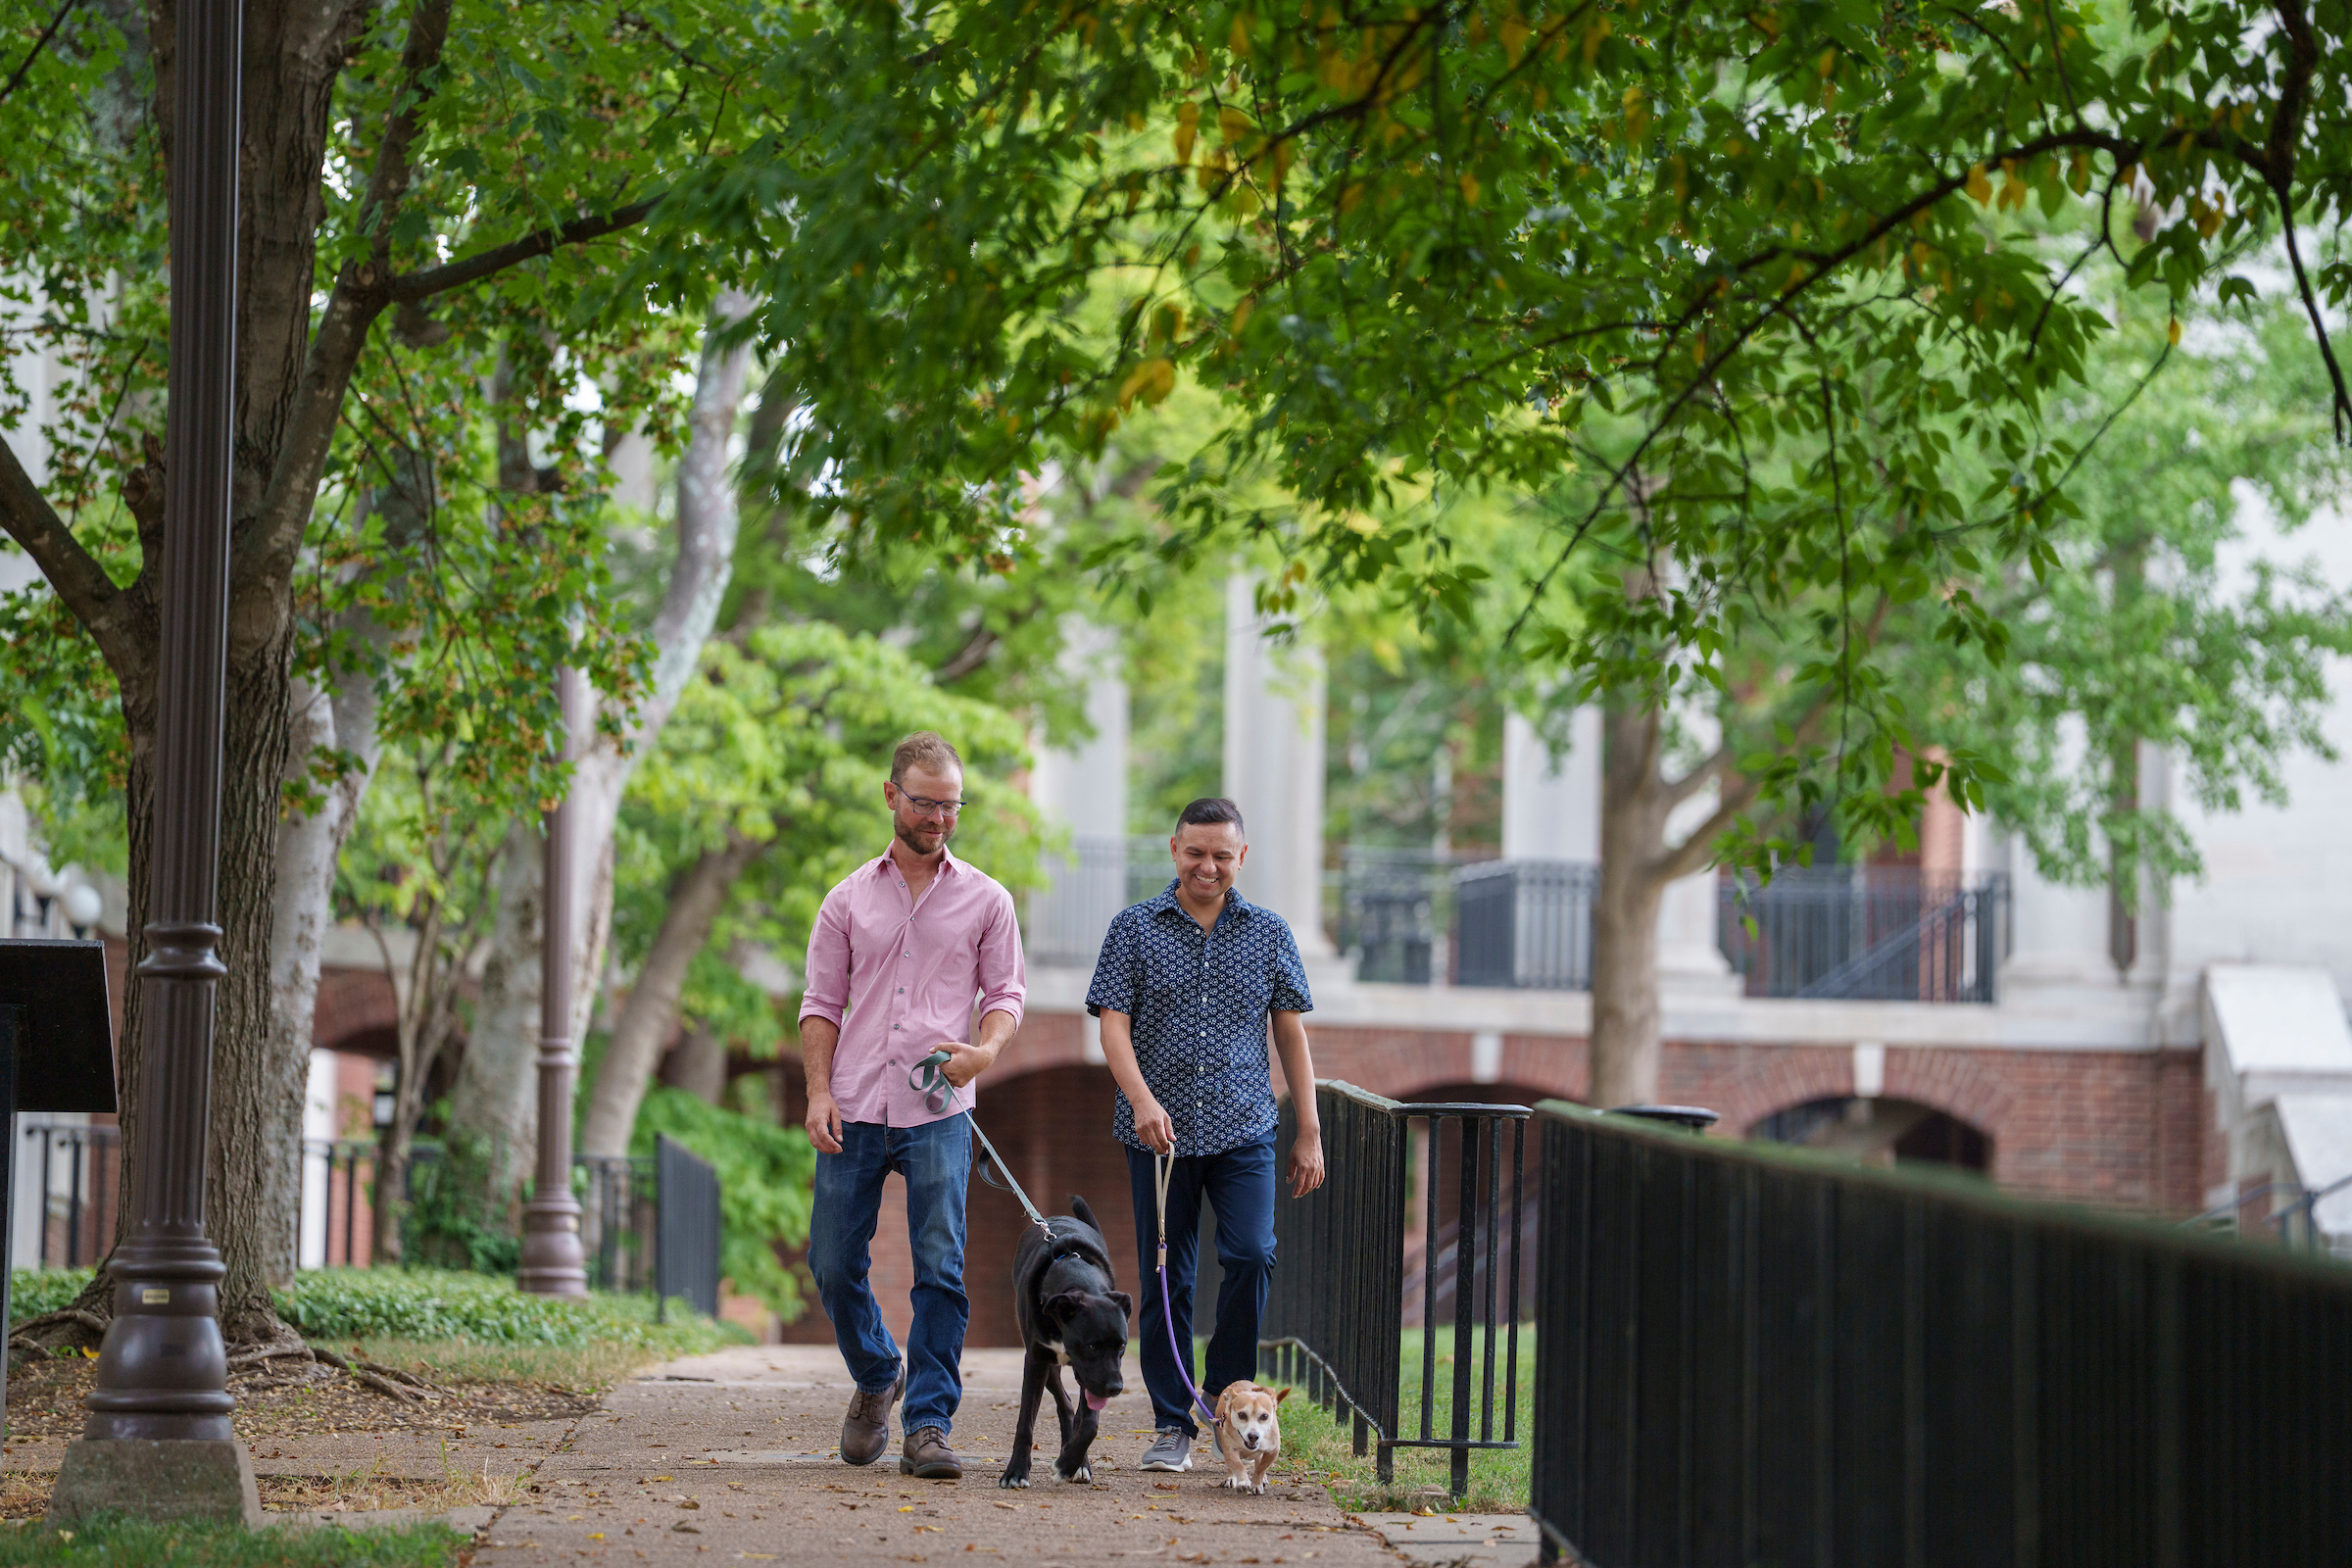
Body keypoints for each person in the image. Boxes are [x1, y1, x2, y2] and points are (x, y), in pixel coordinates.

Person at [799, 731, 1025, 1481]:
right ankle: (875, 1374)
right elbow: (821, 1004)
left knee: (940, 1268)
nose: (939, 818)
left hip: (938, 1107)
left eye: (951, 805)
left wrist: (985, 1053)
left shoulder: (988, 900)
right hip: (856, 1102)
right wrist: (818, 1090)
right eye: (926, 802)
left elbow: (1006, 997)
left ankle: (929, 1423)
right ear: (892, 796)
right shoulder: (846, 899)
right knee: (831, 1262)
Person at [1087, 796, 1327, 1475]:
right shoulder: (1133, 929)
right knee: (1170, 1276)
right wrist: (1141, 1100)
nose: (1208, 865)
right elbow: (1112, 1025)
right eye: (1196, 852)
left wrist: (1308, 1130)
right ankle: (1171, 1423)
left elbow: (1290, 1031)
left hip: (1245, 1128)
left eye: (1222, 854)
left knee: (1252, 1254)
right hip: (1157, 1137)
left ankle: (1222, 1396)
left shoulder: (1270, 932)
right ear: (1174, 850)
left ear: (1240, 857)